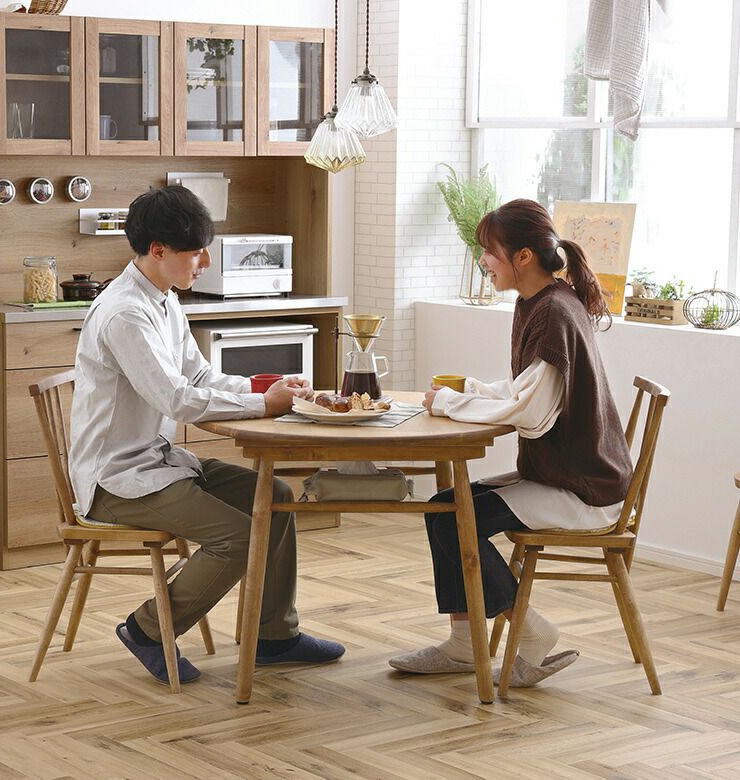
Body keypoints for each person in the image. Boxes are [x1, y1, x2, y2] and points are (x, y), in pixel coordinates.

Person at [69, 185, 345, 685]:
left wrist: (265, 388)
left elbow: (197, 376)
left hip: (157, 463)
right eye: (196, 252)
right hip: (117, 481)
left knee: (275, 498)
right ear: (158, 250)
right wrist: (264, 406)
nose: (206, 262)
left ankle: (274, 637)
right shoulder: (126, 313)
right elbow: (175, 399)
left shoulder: (164, 299)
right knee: (240, 537)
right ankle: (147, 629)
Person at [389, 199, 632, 687]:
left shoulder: (555, 311)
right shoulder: (537, 302)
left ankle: (533, 633)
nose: (483, 261)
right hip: (562, 474)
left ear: (523, 256)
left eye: (489, 251)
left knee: (454, 517)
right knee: (443, 509)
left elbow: (533, 414)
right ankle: (464, 643)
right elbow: (526, 390)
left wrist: (452, 404)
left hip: (584, 489)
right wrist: (470, 392)